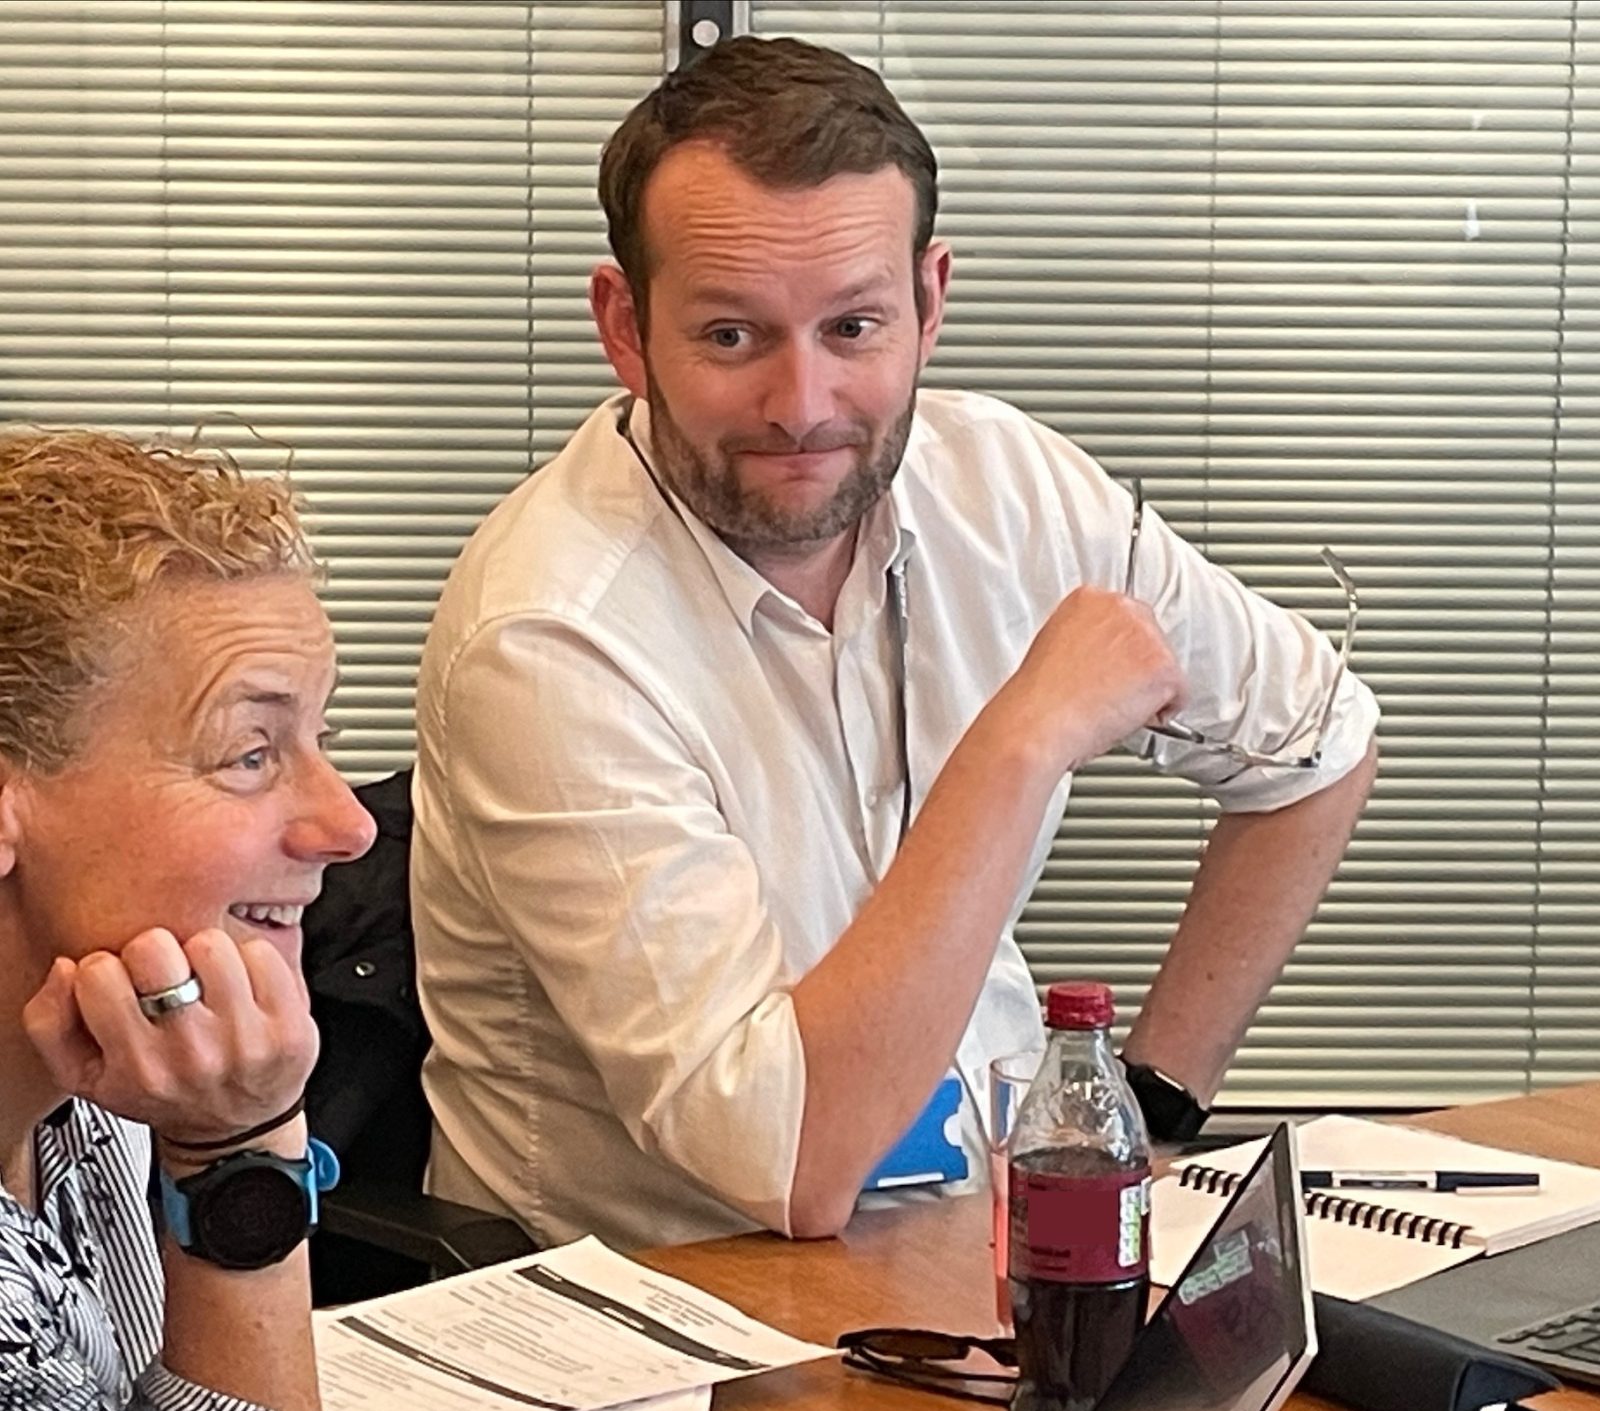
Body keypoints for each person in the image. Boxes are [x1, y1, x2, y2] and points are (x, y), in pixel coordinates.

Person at [411, 36, 1380, 1251]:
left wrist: (1155, 1102)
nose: (802, 405)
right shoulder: (547, 631)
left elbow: (1319, 741)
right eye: (730, 336)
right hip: (671, 1309)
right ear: (625, 324)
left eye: (854, 327)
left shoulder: (1008, 486)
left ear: (929, 304)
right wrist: (1023, 742)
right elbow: (791, 1164)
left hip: (985, 1246)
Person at [0, 426, 383, 1411]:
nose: (349, 825)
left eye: (318, 740)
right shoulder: (183, 1091)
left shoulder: (105, 1077)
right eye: (250, 754)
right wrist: (237, 1156)